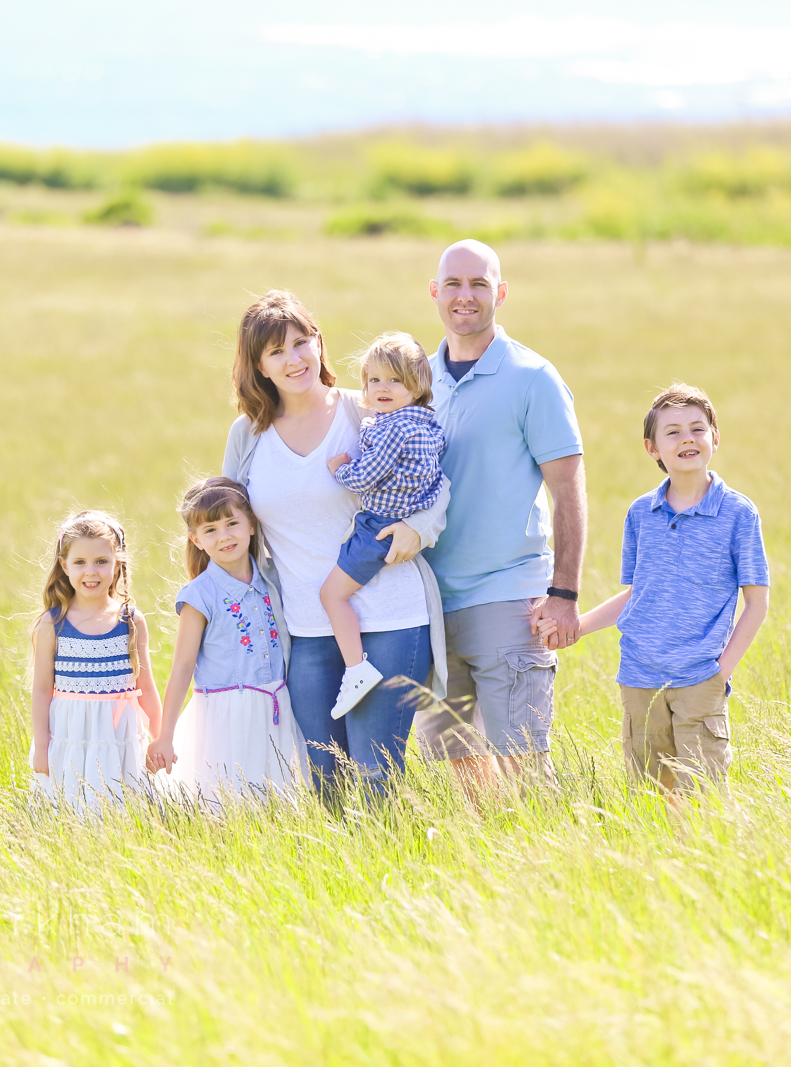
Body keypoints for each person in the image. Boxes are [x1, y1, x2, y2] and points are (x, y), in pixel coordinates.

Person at [222, 290, 450, 799]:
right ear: (258, 365)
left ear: (319, 344)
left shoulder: (364, 409)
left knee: (375, 775)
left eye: (302, 342)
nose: (295, 358)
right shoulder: (249, 434)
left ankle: (396, 873)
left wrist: (420, 529)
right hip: (306, 630)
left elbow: (436, 482)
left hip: (391, 617)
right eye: (277, 351)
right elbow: (227, 521)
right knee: (324, 782)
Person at [413, 239, 586, 793]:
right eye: (455, 284)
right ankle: (493, 864)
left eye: (480, 284)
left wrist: (564, 594)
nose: (466, 296)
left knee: (526, 764)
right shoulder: (415, 381)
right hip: (431, 601)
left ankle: (553, 866)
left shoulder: (532, 378)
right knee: (462, 765)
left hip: (508, 595)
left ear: (501, 293)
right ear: (435, 292)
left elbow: (569, 490)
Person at [548, 383, 770, 795]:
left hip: (700, 677)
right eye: (673, 432)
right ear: (652, 448)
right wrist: (578, 626)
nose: (687, 438)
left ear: (715, 438)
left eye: (697, 429)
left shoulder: (738, 513)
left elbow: (756, 602)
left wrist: (721, 671)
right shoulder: (641, 513)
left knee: (701, 796)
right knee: (651, 794)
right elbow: (638, 593)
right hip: (639, 677)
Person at [146, 477, 308, 806]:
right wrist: (166, 735)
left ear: (251, 524)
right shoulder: (199, 595)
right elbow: (181, 667)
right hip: (228, 713)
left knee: (279, 800)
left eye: (232, 523)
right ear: (196, 539)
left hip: (277, 705)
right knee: (229, 801)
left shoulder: (274, 577)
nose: (225, 536)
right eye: (211, 530)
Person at [322, 332, 446, 720]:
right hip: (398, 517)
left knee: (332, 595)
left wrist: (340, 468)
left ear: (416, 385)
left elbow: (367, 477)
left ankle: (356, 669)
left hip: (379, 526)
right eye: (374, 380)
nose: (382, 388)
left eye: (394, 380)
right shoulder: (426, 423)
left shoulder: (392, 428)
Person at [29, 510, 162, 813]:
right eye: (80, 563)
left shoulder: (130, 619)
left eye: (101, 561)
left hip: (120, 734)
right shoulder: (53, 624)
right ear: (64, 565)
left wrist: (160, 738)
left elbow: (147, 687)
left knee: (123, 808)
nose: (91, 571)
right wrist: (41, 745)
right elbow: (40, 690)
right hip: (71, 732)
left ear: (118, 564)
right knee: (72, 807)